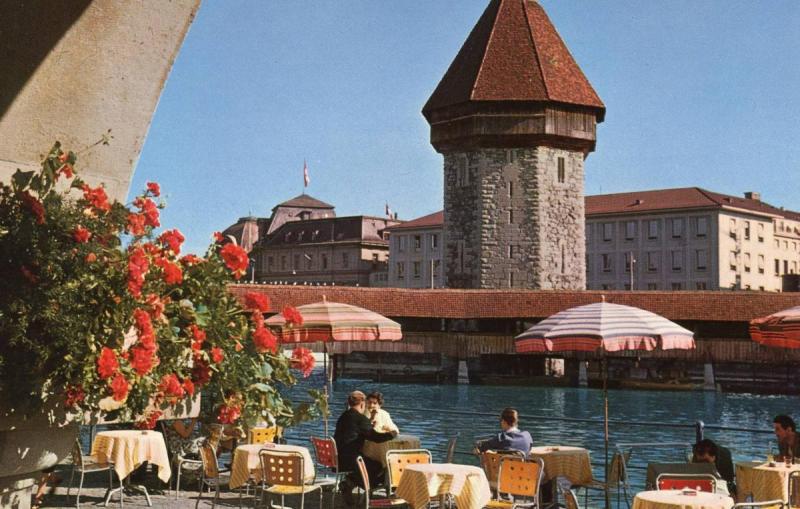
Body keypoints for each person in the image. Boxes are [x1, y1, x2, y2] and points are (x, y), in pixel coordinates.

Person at [334, 390, 397, 505]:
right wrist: (392, 434)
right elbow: (376, 438)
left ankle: (350, 483)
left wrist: (369, 424)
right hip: (350, 460)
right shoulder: (360, 418)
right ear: (363, 404)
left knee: (372, 464)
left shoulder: (344, 416)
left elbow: (357, 431)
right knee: (379, 466)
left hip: (337, 457)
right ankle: (354, 483)